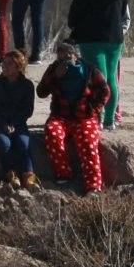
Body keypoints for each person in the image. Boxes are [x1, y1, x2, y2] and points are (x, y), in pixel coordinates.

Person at [66, 0, 128, 130]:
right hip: (115, 38)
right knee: (110, 79)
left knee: (96, 78)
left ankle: (97, 118)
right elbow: (123, 11)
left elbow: (76, 11)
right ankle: (110, 120)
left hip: (92, 38)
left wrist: (73, 26)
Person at [36, 42, 110, 192]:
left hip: (84, 117)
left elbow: (105, 91)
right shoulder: (53, 69)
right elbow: (41, 92)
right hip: (60, 116)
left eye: (68, 56)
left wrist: (93, 109)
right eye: (61, 57)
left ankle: (93, 185)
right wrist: (56, 76)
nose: (65, 60)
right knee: (52, 132)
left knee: (88, 142)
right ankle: (63, 173)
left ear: (75, 56)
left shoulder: (89, 70)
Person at [0, 49, 37, 187]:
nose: (4, 66)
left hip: (18, 123)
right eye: (4, 63)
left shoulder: (27, 86)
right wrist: (2, 123)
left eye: (9, 64)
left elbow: (27, 110)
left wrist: (14, 123)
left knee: (24, 143)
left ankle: (29, 176)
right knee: (4, 142)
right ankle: (11, 175)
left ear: (19, 67)